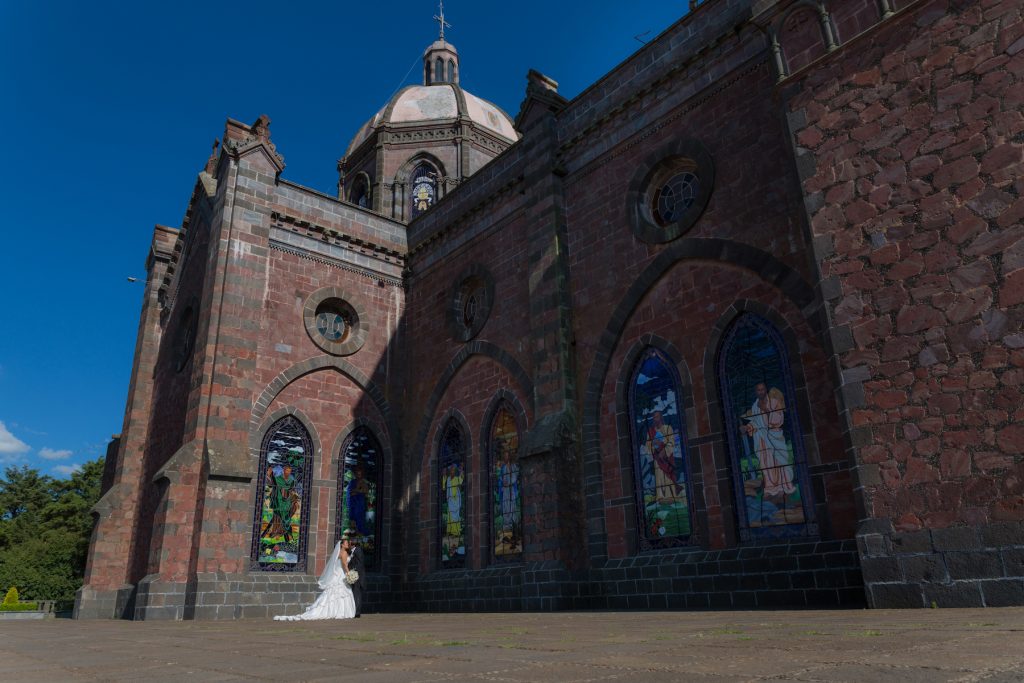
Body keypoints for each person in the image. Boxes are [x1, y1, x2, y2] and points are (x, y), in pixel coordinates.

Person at [273, 539, 355, 620]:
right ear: (342, 545)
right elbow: (344, 565)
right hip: (341, 575)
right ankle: (340, 611)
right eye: (346, 543)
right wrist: (349, 574)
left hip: (337, 574)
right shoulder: (344, 553)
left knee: (333, 594)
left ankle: (333, 610)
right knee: (341, 593)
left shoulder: (338, 553)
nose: (348, 544)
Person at [742, 382, 796, 500]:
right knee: (766, 464)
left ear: (766, 389)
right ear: (756, 392)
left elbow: (779, 419)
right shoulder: (755, 406)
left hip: (774, 438)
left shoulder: (774, 402)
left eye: (762, 389)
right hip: (762, 440)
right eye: (758, 390)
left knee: (779, 462)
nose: (761, 392)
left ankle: (783, 487)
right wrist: (748, 428)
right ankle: (770, 489)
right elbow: (756, 422)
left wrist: (766, 410)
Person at [645, 411, 681, 505]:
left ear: (661, 418)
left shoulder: (668, 428)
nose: (655, 419)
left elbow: (672, 441)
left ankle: (670, 496)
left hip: (667, 458)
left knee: (668, 475)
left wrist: (664, 450)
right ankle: (660, 497)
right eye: (654, 418)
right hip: (657, 459)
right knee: (659, 476)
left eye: (656, 417)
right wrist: (653, 445)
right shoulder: (650, 431)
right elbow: (648, 445)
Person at [344, 531, 365, 618]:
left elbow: (360, 563)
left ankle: (357, 612)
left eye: (350, 542)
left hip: (357, 576)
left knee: (357, 594)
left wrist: (352, 572)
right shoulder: (352, 551)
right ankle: (354, 610)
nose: (349, 543)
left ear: (353, 543)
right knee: (354, 593)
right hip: (354, 575)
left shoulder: (358, 550)